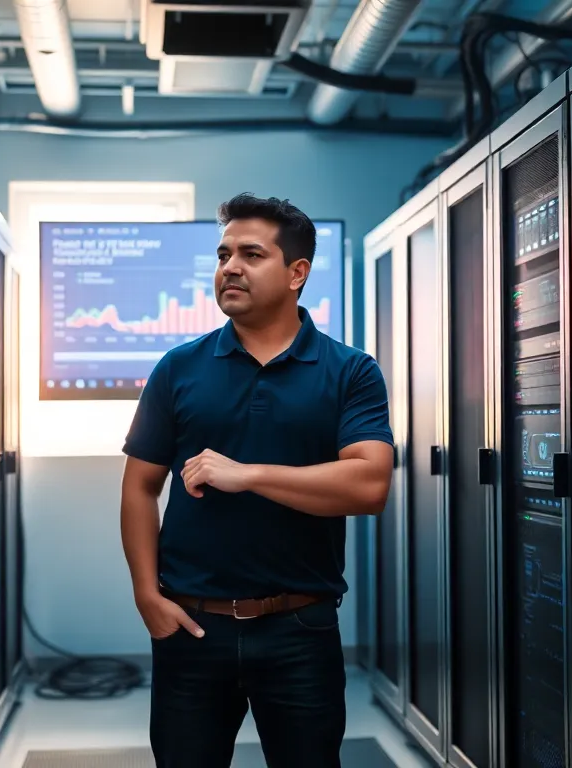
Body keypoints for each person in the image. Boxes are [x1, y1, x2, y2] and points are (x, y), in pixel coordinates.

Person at [119, 193, 394, 768]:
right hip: (192, 626)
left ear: (297, 273)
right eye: (223, 255)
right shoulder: (178, 368)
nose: (230, 268)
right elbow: (140, 487)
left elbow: (370, 485)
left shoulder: (350, 371)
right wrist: (147, 596)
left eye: (251, 254)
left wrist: (248, 476)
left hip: (301, 628)